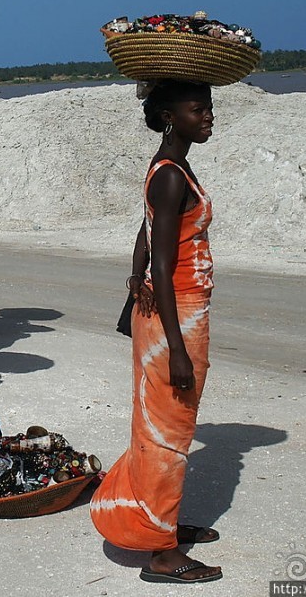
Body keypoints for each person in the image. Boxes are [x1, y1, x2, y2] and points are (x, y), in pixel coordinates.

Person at [90, 80, 222, 585]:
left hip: (175, 314)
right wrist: (179, 352)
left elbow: (145, 233)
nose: (208, 115)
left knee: (164, 428)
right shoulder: (171, 176)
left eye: (209, 107)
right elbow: (162, 267)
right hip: (176, 318)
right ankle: (161, 554)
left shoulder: (170, 167)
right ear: (170, 116)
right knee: (169, 431)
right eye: (197, 109)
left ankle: (159, 523)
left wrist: (131, 291)